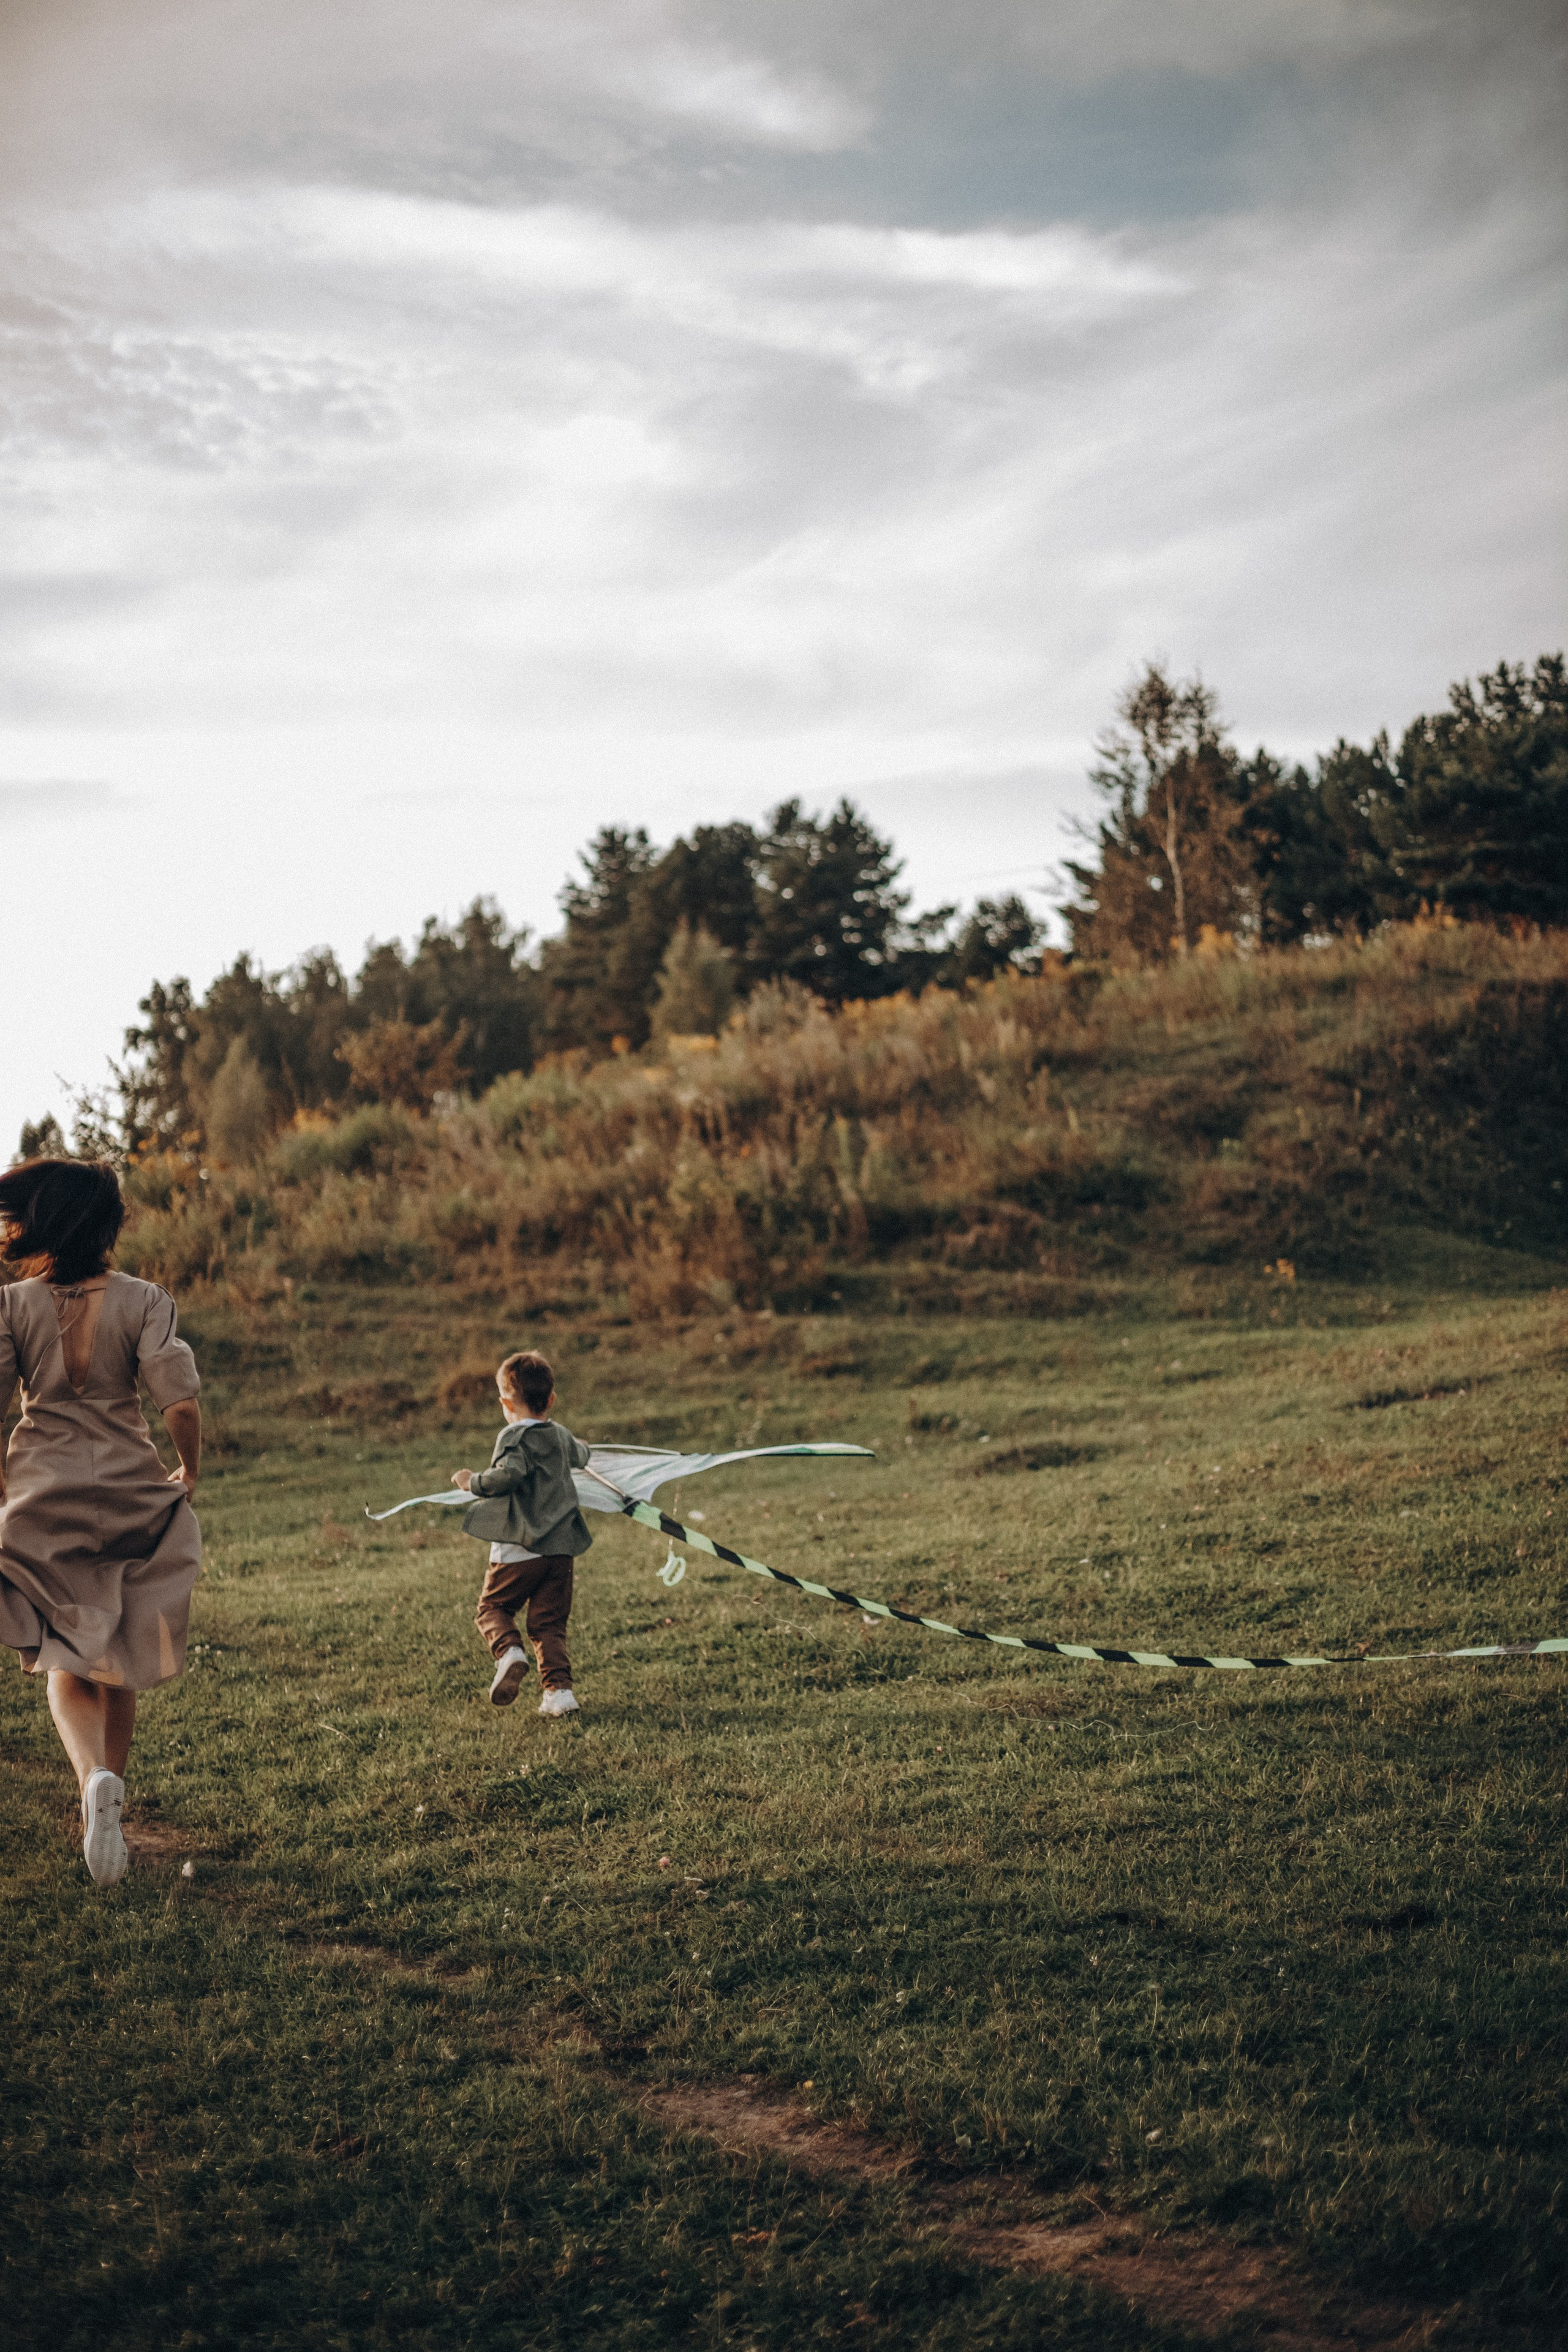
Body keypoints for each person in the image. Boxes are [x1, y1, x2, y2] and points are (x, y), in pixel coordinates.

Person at [0, 1157, 202, 1887]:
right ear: (108, 1224)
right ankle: (107, 1795)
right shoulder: (145, 1299)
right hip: (129, 1486)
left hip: (42, 1498)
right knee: (120, 1654)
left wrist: (6, 1491)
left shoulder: (13, 1305)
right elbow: (177, 1401)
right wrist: (190, 1469)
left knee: (64, 1657)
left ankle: (93, 1788)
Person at [451, 1350, 591, 1719]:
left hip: (519, 1550)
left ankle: (509, 1652)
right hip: (561, 1549)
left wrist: (472, 1482)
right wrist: (582, 1450)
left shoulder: (513, 1436)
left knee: (493, 1608)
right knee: (549, 1624)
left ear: (505, 1403)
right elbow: (582, 1455)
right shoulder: (560, 1436)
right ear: (552, 1399)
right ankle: (560, 1695)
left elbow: (509, 1475)